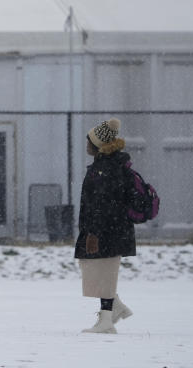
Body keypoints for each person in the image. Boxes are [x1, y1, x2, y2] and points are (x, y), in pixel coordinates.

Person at [74, 117, 135, 334]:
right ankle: (113, 308)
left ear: (99, 144)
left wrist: (94, 233)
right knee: (97, 269)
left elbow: (102, 204)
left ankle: (107, 320)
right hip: (112, 228)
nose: (87, 145)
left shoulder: (106, 169)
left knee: (104, 270)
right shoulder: (107, 165)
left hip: (107, 229)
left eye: (89, 141)